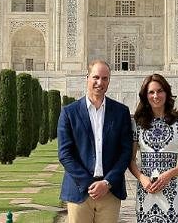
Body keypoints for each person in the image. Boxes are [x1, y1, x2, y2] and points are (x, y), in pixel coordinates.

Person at [57, 60, 133, 223]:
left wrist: (107, 182)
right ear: (87, 78)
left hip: (110, 192)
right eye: (96, 77)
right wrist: (88, 183)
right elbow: (65, 154)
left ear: (109, 81)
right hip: (79, 190)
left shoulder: (120, 112)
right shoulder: (69, 112)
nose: (100, 82)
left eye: (105, 78)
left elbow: (125, 152)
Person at [128, 73, 178, 223]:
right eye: (151, 92)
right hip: (146, 190)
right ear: (145, 96)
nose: (156, 96)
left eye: (160, 91)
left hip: (171, 191)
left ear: (166, 93)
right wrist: (141, 178)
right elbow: (131, 160)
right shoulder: (138, 123)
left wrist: (170, 174)